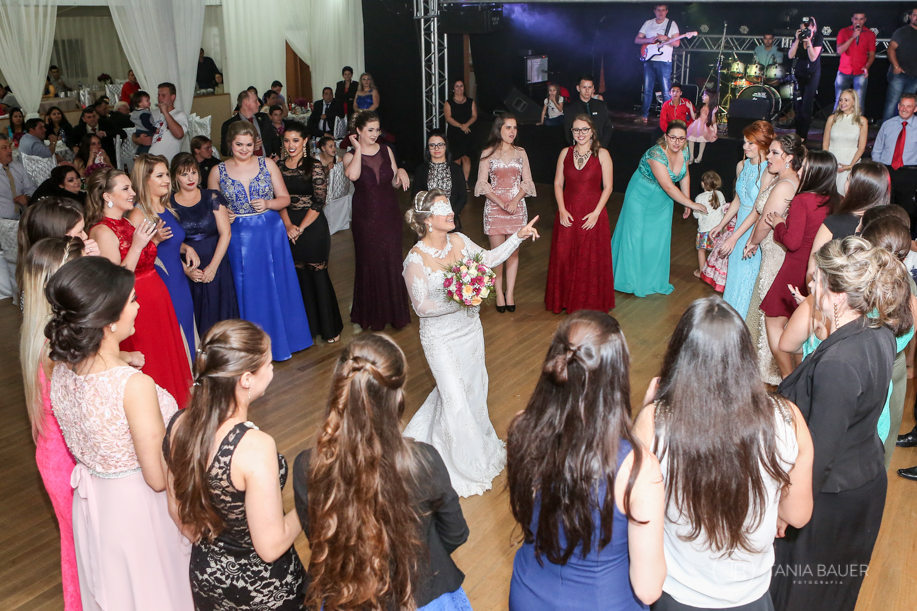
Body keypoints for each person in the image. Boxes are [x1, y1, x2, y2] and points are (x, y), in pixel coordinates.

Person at [634, 296, 814, 611]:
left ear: (680, 356)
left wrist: (646, 409)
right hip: (750, 595)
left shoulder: (656, 421)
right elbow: (798, 515)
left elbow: (632, 500)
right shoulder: (788, 418)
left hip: (678, 594)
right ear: (744, 355)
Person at [46, 256, 195, 611]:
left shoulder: (62, 371)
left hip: (95, 506)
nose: (138, 305)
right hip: (139, 510)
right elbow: (158, 478)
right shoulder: (133, 387)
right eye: (131, 300)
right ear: (109, 322)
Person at [772, 237, 911, 611]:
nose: (809, 288)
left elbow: (819, 456)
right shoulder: (879, 330)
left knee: (801, 596)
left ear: (837, 295)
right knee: (834, 596)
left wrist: (787, 513)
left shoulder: (838, 364)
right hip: (862, 483)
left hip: (829, 499)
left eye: (816, 281)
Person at [294, 333, 472, 610]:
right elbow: (455, 532)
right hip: (422, 595)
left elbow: (318, 538)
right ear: (397, 395)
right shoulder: (423, 461)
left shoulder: (307, 465)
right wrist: (413, 561)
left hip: (345, 596)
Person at [508, 310, 665, 610]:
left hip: (529, 592)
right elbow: (648, 590)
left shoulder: (521, 428)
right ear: (616, 376)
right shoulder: (638, 469)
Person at [402, 189, 539, 496]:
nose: (451, 212)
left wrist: (517, 236)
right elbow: (421, 307)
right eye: (444, 209)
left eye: (450, 207)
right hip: (440, 339)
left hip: (469, 332)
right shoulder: (416, 258)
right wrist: (462, 298)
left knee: (473, 392)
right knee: (453, 396)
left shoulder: (460, 241)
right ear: (427, 220)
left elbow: (489, 259)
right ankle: (461, 464)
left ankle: (456, 443)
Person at [163, 320, 304, 610]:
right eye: (267, 363)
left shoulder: (179, 425)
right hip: (263, 591)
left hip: (207, 579)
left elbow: (178, 512)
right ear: (246, 379)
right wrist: (310, 502)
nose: (272, 369)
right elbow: (271, 547)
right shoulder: (255, 446)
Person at [86, 167, 193, 408]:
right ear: (107, 196)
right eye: (125, 189)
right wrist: (137, 246)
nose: (133, 192)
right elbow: (116, 279)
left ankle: (176, 407)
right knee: (150, 356)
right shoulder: (102, 230)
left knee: (167, 354)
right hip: (136, 302)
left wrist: (149, 243)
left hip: (157, 294)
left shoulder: (125, 222)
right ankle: (156, 412)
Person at [19, 236, 86, 611]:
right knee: (83, 550)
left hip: (54, 454)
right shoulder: (53, 346)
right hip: (67, 460)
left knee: (76, 545)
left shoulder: (40, 335)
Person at [209, 121, 312, 361]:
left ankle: (287, 340)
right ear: (229, 144)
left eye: (248, 144)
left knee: (278, 284)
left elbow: (285, 199)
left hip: (270, 231)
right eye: (238, 144)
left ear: (255, 143)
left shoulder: (268, 164)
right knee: (248, 289)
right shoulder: (217, 171)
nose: (244, 149)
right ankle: (252, 347)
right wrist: (225, 214)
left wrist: (267, 204)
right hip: (239, 237)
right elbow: (212, 208)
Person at [760, 150, 836, 379]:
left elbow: (792, 243)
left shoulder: (803, 200)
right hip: (818, 272)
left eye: (805, 167)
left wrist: (779, 224)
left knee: (773, 320)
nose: (800, 171)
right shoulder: (835, 200)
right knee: (804, 327)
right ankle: (801, 377)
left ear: (816, 172)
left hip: (795, 268)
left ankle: (787, 378)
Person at [611, 120, 707, 297]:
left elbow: (684, 175)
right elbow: (669, 186)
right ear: (665, 137)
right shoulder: (655, 154)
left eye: (681, 138)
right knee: (635, 236)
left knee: (657, 238)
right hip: (641, 194)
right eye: (673, 138)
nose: (677, 142)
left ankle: (652, 280)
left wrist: (686, 200)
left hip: (663, 200)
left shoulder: (685, 150)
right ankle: (630, 281)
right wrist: (692, 204)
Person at [743, 134, 804, 385]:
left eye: (775, 153)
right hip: (777, 252)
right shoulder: (788, 179)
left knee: (772, 315)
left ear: (789, 158)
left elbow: (767, 222)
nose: (768, 156)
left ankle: (776, 371)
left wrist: (752, 242)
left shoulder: (785, 186)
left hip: (775, 254)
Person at [343, 110, 411, 330]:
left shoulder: (386, 150)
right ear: (359, 131)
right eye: (370, 130)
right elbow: (352, 176)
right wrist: (359, 149)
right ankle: (373, 315)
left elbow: (393, 183)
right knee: (369, 262)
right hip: (365, 217)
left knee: (392, 260)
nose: (374, 134)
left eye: (377, 130)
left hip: (388, 213)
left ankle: (395, 314)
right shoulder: (349, 156)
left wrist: (400, 171)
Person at [277, 123, 343, 343]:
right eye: (287, 141)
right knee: (298, 277)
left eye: (295, 140)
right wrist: (288, 226)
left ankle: (329, 328)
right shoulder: (278, 166)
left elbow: (319, 202)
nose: (291, 145)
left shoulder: (313, 166)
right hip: (287, 227)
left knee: (317, 274)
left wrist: (300, 228)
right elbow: (279, 200)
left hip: (313, 228)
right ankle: (307, 329)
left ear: (305, 141)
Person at [546, 114, 615, 313]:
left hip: (593, 213)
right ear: (572, 133)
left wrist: (596, 213)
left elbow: (608, 187)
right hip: (567, 211)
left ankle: (588, 303)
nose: (581, 133)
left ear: (592, 131)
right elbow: (558, 183)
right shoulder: (564, 153)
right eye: (576, 130)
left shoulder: (603, 154)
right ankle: (566, 301)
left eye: (585, 129)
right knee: (565, 256)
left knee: (589, 259)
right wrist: (561, 209)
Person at [130, 154, 198, 356]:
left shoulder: (165, 206)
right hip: (162, 282)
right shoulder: (138, 214)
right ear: (145, 180)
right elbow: (136, 256)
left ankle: (191, 378)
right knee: (171, 334)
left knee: (186, 324)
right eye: (160, 176)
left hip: (179, 280)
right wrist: (154, 241)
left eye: (167, 174)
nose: (167, 180)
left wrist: (186, 248)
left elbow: (171, 242)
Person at [170, 153, 238, 337]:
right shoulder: (168, 204)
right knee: (194, 314)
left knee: (220, 310)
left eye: (193, 172)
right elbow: (168, 243)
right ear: (175, 177)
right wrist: (186, 270)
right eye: (184, 174)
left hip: (216, 259)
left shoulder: (212, 196)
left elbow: (226, 233)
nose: (190, 178)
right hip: (188, 265)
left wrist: (213, 268)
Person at [475, 113, 536, 312]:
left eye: (514, 128)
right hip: (494, 208)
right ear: (498, 129)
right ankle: (498, 293)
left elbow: (527, 182)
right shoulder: (487, 153)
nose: (512, 131)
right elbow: (483, 184)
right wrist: (501, 202)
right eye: (508, 127)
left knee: (513, 252)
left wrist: (515, 201)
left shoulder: (521, 152)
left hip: (516, 208)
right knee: (498, 254)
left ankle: (509, 292)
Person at [805, 161, 890, 284]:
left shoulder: (834, 223)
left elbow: (812, 271)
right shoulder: (886, 227)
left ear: (856, 188)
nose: (845, 183)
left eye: (848, 179)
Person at [871, 94, 917, 235]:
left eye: (908, 106)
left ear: (915, 109)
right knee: (884, 209)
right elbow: (877, 149)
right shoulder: (887, 125)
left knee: (908, 211)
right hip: (887, 171)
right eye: (902, 105)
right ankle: (883, 237)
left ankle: (905, 240)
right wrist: (879, 170)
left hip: (910, 173)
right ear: (898, 106)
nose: (904, 109)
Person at [412, 130, 468, 233]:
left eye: (440, 145)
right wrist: (430, 217)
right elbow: (417, 196)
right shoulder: (421, 170)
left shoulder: (456, 169)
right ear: (428, 148)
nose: (436, 148)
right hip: (429, 222)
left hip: (451, 221)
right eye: (432, 145)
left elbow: (463, 196)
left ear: (446, 146)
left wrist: (450, 214)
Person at [635, 4, 680, 124]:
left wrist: (665, 38)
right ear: (654, 11)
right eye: (658, 10)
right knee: (647, 90)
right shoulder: (648, 23)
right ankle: (644, 115)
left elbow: (677, 43)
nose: (661, 13)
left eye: (663, 10)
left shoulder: (671, 24)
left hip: (664, 62)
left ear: (667, 11)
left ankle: (669, 117)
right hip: (649, 60)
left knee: (666, 91)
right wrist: (649, 40)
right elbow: (637, 39)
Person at [823, 89, 868, 195]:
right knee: (829, 195)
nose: (842, 103)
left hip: (850, 161)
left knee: (846, 194)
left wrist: (851, 165)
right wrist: (829, 163)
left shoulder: (862, 121)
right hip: (833, 161)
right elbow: (825, 143)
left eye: (846, 100)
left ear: (854, 102)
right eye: (841, 100)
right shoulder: (832, 119)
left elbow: (861, 147)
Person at [788, 17, 823, 141]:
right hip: (800, 74)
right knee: (798, 107)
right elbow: (790, 55)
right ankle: (798, 135)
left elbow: (813, 57)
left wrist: (808, 42)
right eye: (803, 28)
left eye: (807, 28)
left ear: (814, 27)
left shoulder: (817, 38)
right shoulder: (799, 38)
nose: (805, 31)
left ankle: (804, 137)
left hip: (812, 75)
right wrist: (797, 40)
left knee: (806, 107)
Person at [834, 12, 875, 111]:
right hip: (844, 71)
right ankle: (836, 124)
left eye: (861, 19)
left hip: (860, 72)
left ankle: (857, 125)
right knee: (839, 100)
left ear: (865, 20)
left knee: (859, 102)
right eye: (856, 19)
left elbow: (872, 54)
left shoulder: (869, 34)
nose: (858, 21)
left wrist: (867, 66)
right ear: (852, 19)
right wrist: (853, 37)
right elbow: (839, 51)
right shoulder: (843, 32)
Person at [883, 8, 917, 122]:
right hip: (899, 75)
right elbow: (891, 49)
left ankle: (901, 132)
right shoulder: (902, 31)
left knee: (907, 106)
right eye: (915, 15)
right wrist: (896, 66)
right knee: (892, 104)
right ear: (910, 17)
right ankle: (886, 132)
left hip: (915, 77)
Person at [142, 83, 188, 164]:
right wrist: (137, 139)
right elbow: (136, 131)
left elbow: (179, 134)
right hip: (148, 161)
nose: (160, 98)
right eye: (159, 95)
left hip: (167, 163)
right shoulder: (152, 113)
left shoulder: (179, 115)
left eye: (163, 95)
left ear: (172, 97)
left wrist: (166, 113)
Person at [691, 171, 726, 278]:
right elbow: (724, 210)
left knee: (701, 250)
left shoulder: (700, 198)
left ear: (703, 184)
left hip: (705, 231)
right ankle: (718, 273)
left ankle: (702, 272)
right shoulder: (720, 194)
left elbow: (696, 215)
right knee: (720, 251)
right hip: (718, 229)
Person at [220, 90, 274, 158]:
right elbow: (225, 151)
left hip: (266, 162)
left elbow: (274, 139)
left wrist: (275, 154)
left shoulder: (264, 118)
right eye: (255, 101)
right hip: (243, 164)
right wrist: (248, 148)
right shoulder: (229, 124)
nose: (259, 104)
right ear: (246, 103)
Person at [564, 74, 613, 149]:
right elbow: (568, 133)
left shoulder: (601, 105)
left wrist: (601, 146)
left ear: (593, 88)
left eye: (589, 87)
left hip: (600, 148)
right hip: (580, 149)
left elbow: (608, 127)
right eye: (584, 87)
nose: (587, 90)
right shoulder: (570, 109)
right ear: (578, 88)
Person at [444, 78, 477, 184]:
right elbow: (448, 118)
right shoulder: (448, 103)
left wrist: (466, 125)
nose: (459, 88)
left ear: (464, 88)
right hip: (454, 133)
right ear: (453, 89)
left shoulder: (470, 101)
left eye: (461, 86)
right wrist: (461, 126)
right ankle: (456, 182)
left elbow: (474, 115)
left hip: (467, 133)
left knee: (467, 158)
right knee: (456, 159)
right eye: (457, 86)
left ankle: (465, 182)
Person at [0, 133, 37, 219]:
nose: (9, 150)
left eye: (9, 146)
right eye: (4, 148)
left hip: (24, 217)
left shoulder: (18, 166)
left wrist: (27, 197)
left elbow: (31, 187)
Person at [686, 89, 718, 164]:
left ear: (710, 97)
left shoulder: (712, 108)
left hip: (705, 125)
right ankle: (691, 156)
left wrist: (713, 113)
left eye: (705, 95)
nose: (703, 96)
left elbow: (713, 121)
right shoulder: (701, 106)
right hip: (697, 124)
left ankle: (700, 156)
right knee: (691, 138)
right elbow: (694, 117)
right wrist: (690, 108)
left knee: (702, 139)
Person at [130, 90, 156, 155]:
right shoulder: (145, 113)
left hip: (138, 130)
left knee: (142, 145)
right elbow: (146, 124)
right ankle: (143, 155)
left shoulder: (135, 112)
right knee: (147, 144)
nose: (149, 102)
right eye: (147, 100)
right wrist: (154, 129)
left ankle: (138, 154)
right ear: (139, 103)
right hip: (146, 131)